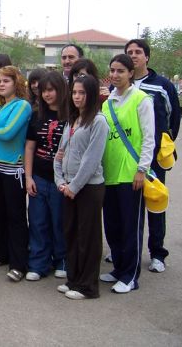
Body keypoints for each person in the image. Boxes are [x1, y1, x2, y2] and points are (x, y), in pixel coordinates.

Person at [125, 39, 181, 273]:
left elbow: (173, 119)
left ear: (147, 57)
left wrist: (160, 145)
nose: (134, 56)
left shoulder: (162, 85)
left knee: (155, 204)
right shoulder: (121, 85)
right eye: (130, 53)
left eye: (138, 52)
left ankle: (157, 253)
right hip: (126, 157)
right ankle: (126, 249)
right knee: (127, 207)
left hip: (154, 158)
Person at [100, 54, 155, 294]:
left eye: (120, 71)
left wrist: (142, 169)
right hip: (109, 174)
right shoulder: (107, 102)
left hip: (131, 174)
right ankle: (118, 269)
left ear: (131, 73)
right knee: (112, 225)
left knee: (130, 227)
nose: (115, 75)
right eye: (112, 70)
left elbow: (149, 138)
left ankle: (131, 276)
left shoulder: (142, 99)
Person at [54, 75, 109, 300]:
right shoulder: (72, 120)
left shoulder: (98, 121)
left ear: (92, 94)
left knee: (88, 237)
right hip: (68, 187)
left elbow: (91, 160)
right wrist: (60, 181)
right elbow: (59, 154)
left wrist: (74, 186)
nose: (77, 97)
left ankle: (88, 287)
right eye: (75, 93)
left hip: (88, 188)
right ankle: (73, 279)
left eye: (82, 93)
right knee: (72, 234)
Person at [0, 66, 32, 282]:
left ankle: (19, 263)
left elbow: (8, 133)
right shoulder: (2, 107)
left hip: (14, 170)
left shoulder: (22, 105)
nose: (1, 84)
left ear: (16, 83)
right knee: (0, 213)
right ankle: (1, 254)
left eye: (6, 81)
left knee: (16, 217)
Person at [24, 71, 68, 281]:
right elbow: (30, 148)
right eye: (43, 91)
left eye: (51, 90)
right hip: (39, 177)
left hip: (61, 180)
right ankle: (38, 263)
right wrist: (28, 177)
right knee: (38, 221)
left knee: (59, 221)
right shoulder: (36, 115)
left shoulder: (72, 116)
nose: (47, 95)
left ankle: (61, 260)